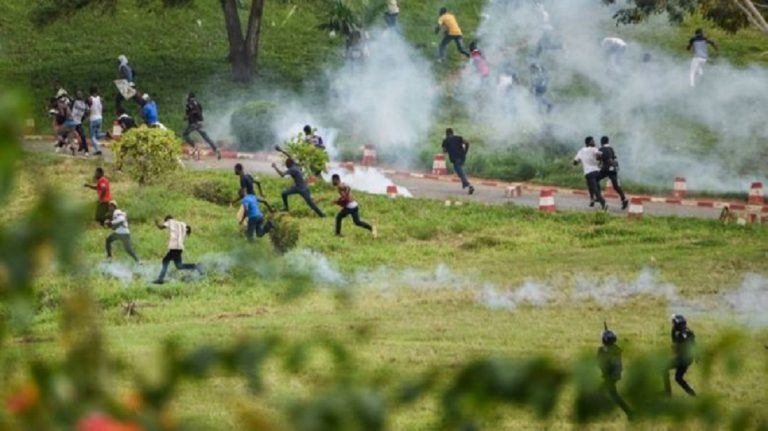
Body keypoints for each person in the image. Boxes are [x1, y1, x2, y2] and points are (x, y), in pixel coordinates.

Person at [597, 323, 633, 419]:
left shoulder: (607, 351)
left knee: (605, 394)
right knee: (613, 395)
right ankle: (629, 413)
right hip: (613, 376)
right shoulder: (614, 349)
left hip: (611, 376)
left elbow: (602, 362)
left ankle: (629, 413)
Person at [152, 216, 202, 284]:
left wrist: (156, 223)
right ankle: (196, 266)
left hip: (174, 247)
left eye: (165, 221)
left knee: (165, 260)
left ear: (167, 220)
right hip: (179, 248)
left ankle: (160, 279)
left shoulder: (170, 221)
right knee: (179, 266)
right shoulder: (182, 223)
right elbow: (189, 228)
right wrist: (188, 234)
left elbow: (161, 227)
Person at [664, 314, 697, 397]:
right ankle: (692, 393)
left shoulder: (680, 334)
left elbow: (676, 348)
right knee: (678, 378)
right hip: (688, 359)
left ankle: (667, 393)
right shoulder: (689, 332)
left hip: (682, 359)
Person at [183, 92, 220, 160]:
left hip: (193, 123)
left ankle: (195, 146)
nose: (186, 97)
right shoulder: (198, 103)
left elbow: (193, 112)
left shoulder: (189, 104)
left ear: (190, 97)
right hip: (200, 123)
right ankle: (216, 149)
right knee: (206, 137)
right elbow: (200, 112)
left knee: (185, 134)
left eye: (187, 96)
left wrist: (187, 117)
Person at [573, 137, 606, 210]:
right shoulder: (594, 149)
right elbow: (600, 155)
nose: (594, 142)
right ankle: (593, 200)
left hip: (588, 173)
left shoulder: (581, 151)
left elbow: (575, 162)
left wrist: (578, 162)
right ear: (588, 143)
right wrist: (599, 160)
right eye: (593, 141)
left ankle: (602, 202)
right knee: (594, 185)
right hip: (597, 172)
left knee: (593, 187)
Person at [597, 136, 628, 210]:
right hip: (613, 168)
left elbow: (598, 158)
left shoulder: (601, 149)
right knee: (616, 186)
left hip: (606, 168)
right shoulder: (611, 149)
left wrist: (599, 161)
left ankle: (599, 197)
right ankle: (624, 199)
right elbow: (614, 158)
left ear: (601, 142)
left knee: (595, 179)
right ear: (608, 141)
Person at [441, 128, 474, 195]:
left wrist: (447, 148)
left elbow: (444, 151)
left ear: (446, 134)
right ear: (452, 133)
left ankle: (469, 186)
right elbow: (467, 143)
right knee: (458, 171)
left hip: (456, 159)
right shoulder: (458, 138)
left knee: (460, 172)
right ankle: (465, 183)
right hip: (462, 157)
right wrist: (465, 152)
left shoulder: (445, 140)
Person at [87, 86, 106, 156]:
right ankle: (106, 134)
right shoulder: (101, 99)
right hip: (100, 118)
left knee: (92, 136)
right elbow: (104, 109)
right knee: (97, 135)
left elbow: (88, 110)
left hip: (93, 119)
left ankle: (97, 150)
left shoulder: (90, 99)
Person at [71, 90, 89, 156]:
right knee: (68, 135)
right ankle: (59, 146)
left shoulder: (84, 104)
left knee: (83, 135)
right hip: (72, 121)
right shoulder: (74, 101)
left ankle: (86, 150)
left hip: (78, 122)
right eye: (78, 94)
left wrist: (83, 119)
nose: (79, 95)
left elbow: (86, 113)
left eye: (80, 94)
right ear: (76, 95)